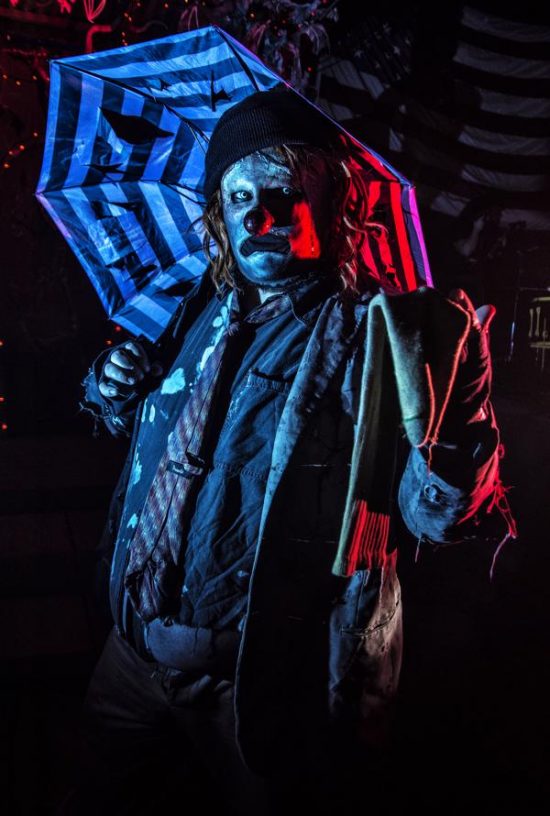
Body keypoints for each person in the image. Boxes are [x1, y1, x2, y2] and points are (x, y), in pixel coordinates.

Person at [63, 87, 512, 815]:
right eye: (240, 195)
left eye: (282, 193)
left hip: (262, 687)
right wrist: (113, 385)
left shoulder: (375, 340)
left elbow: (434, 517)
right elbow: (156, 438)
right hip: (131, 655)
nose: (258, 215)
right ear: (218, 213)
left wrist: (457, 425)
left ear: (334, 208)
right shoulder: (200, 308)